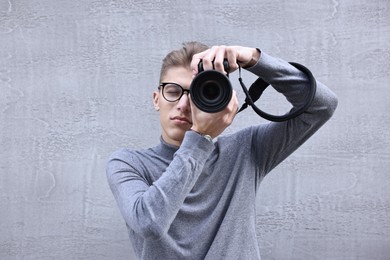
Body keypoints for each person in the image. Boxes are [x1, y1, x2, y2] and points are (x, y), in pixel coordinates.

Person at [106, 42, 338, 259]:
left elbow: (322, 105)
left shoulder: (246, 150)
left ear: (217, 99)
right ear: (157, 99)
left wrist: (254, 59)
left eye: (196, 94)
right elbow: (149, 222)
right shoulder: (127, 163)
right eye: (174, 91)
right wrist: (200, 138)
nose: (184, 105)